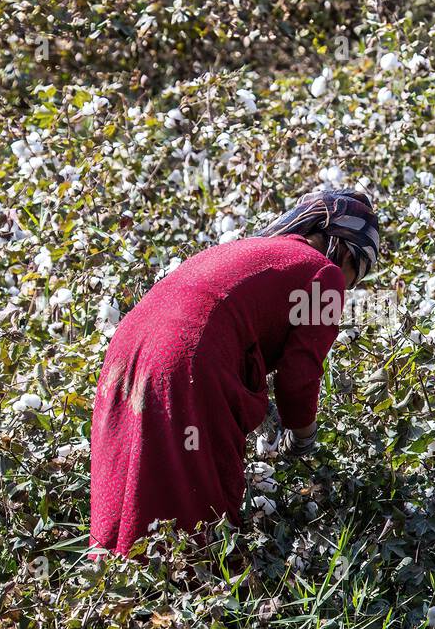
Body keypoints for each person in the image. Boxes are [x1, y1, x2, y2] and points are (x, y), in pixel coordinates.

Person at [89, 187, 381, 556]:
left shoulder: (246, 248)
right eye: (355, 273)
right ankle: (182, 602)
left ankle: (116, 599)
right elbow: (299, 377)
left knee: (129, 478)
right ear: (342, 247)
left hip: (127, 350)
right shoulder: (324, 272)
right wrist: (302, 439)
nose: (349, 286)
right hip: (187, 360)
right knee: (199, 510)